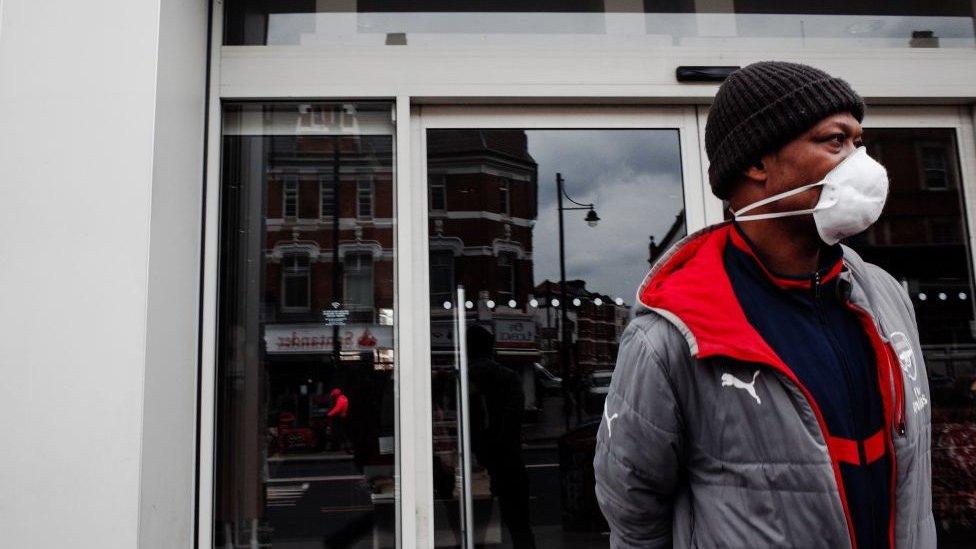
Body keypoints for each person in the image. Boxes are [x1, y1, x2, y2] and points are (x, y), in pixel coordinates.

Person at [594, 61, 934, 548]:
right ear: (756, 163)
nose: (863, 164)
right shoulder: (671, 335)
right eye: (835, 141)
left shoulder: (886, 296)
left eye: (859, 143)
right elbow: (632, 507)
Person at [465, 324, 537, 549]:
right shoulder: (510, 378)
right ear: (491, 348)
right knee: (520, 526)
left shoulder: (460, 379)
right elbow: (514, 419)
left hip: (473, 462)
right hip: (508, 460)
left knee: (474, 528)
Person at [326, 387, 349, 451]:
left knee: (338, 432)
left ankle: (338, 446)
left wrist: (329, 414)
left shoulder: (340, 399)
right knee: (340, 432)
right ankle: (342, 446)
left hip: (339, 417)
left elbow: (337, 408)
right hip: (342, 417)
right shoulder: (343, 398)